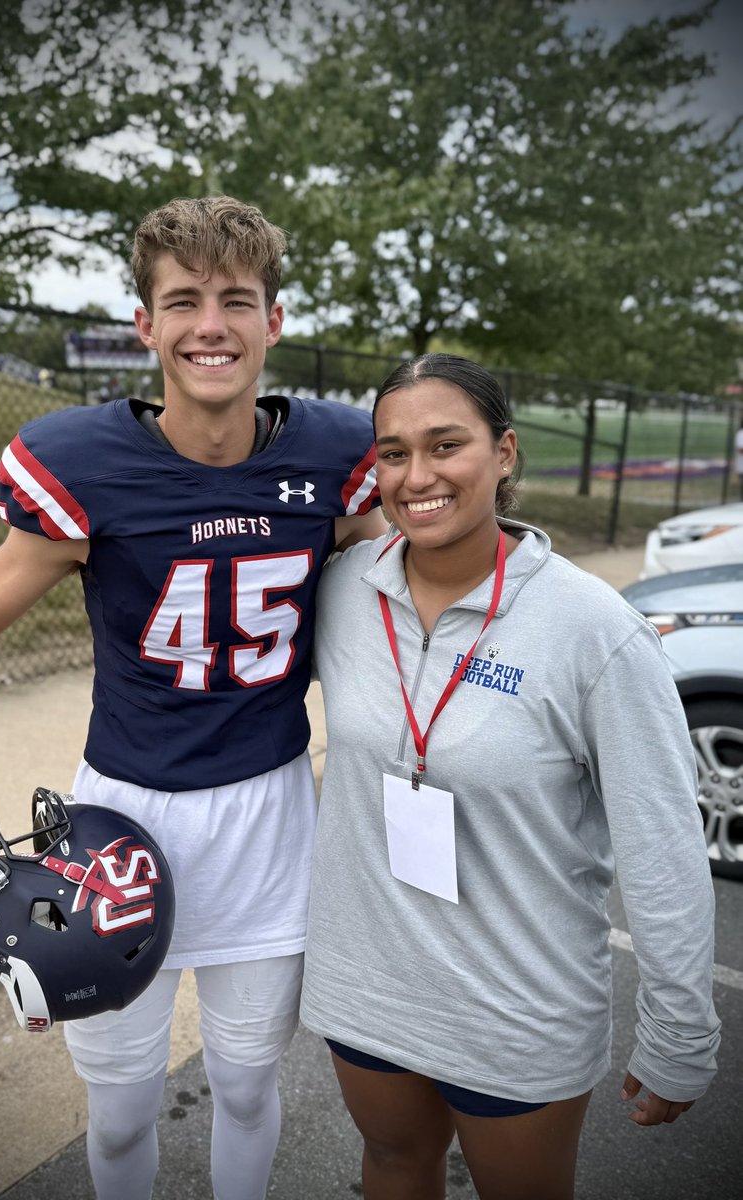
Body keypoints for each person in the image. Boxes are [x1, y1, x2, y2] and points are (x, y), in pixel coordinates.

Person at [0, 195, 385, 1200]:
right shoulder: (87, 465)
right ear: (145, 325)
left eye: (236, 300)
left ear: (273, 322)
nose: (212, 324)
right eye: (183, 300)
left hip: (271, 815)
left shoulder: (336, 458)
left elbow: (399, 611)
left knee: (244, 1083)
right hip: (121, 819)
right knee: (118, 1108)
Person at [300, 353, 720, 1200]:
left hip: (515, 1003)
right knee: (390, 1165)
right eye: (391, 453)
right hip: (369, 983)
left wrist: (681, 1031)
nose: (417, 476)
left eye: (445, 444)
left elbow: (663, 843)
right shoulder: (343, 592)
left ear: (506, 453)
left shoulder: (593, 631)